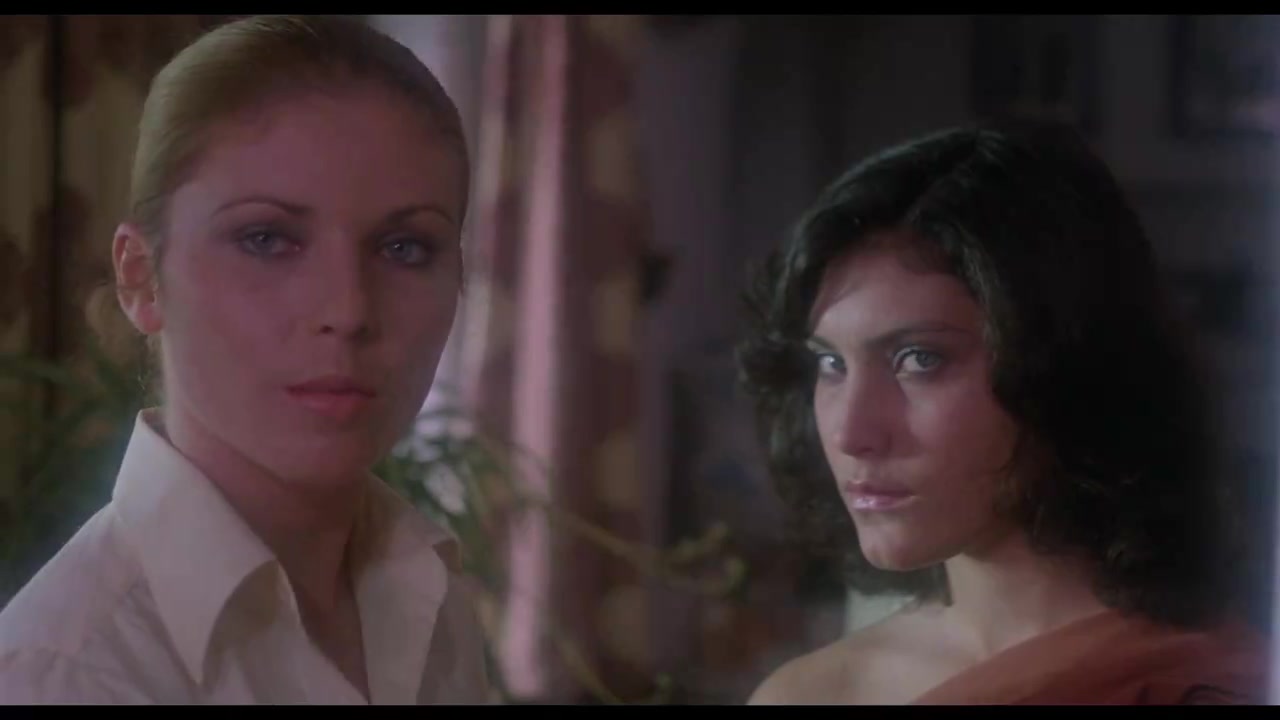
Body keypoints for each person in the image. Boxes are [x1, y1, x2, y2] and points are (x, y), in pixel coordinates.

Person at [0, 15, 490, 704]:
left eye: (404, 248)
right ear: (141, 279)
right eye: (266, 239)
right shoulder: (64, 674)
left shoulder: (430, 597)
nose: (348, 309)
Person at [736, 119, 1268, 705]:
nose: (849, 432)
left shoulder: (1205, 683)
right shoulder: (811, 694)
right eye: (830, 363)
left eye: (919, 359)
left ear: (1064, 367)